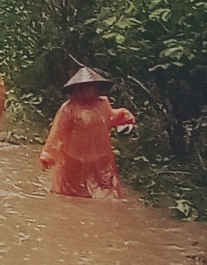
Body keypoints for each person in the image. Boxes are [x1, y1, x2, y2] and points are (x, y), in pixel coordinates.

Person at [39, 66, 137, 199]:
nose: (92, 91)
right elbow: (58, 131)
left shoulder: (103, 104)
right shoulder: (69, 108)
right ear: (78, 90)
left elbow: (108, 118)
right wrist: (48, 154)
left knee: (106, 193)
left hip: (100, 158)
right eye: (88, 88)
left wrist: (123, 115)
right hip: (74, 158)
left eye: (95, 88)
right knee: (72, 193)